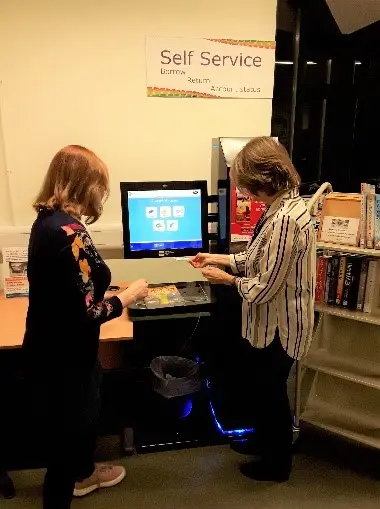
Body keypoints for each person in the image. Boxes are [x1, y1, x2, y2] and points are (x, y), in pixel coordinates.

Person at [22, 145, 149, 509]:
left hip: (53, 350)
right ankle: (70, 483)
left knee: (75, 430)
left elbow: (69, 291)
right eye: (100, 187)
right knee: (64, 449)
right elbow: (86, 314)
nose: (102, 195)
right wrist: (127, 297)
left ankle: (84, 471)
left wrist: (98, 291)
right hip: (65, 360)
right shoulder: (68, 232)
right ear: (84, 185)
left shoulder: (46, 222)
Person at [190, 137, 315, 482]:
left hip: (281, 325)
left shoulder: (288, 219)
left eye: (245, 184)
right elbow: (258, 259)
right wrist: (219, 258)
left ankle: (277, 465)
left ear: (263, 179)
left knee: (271, 392)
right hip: (271, 323)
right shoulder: (281, 209)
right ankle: (263, 442)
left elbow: (263, 287)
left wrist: (225, 280)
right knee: (262, 388)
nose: (243, 193)